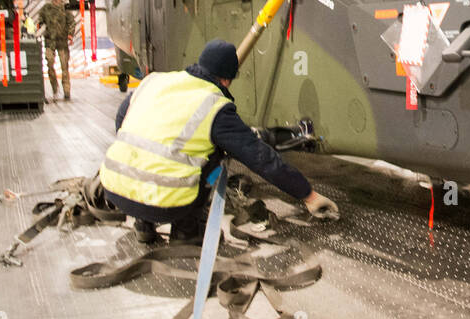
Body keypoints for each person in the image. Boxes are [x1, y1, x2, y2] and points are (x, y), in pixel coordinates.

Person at [100, 39, 338, 244]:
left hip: (116, 188)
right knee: (215, 159)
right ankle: (186, 232)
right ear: (226, 80)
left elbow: (122, 122)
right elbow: (261, 159)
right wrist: (308, 195)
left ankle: (143, 226)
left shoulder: (155, 81)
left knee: (152, 153)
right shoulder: (214, 106)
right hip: (166, 200)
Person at [35, 0, 74, 101]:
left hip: (62, 42)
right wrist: (40, 27)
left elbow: (71, 21)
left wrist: (70, 35)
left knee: (64, 68)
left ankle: (67, 91)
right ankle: (54, 88)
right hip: (49, 42)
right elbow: (40, 21)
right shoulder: (46, 8)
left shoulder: (65, 8)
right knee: (50, 65)